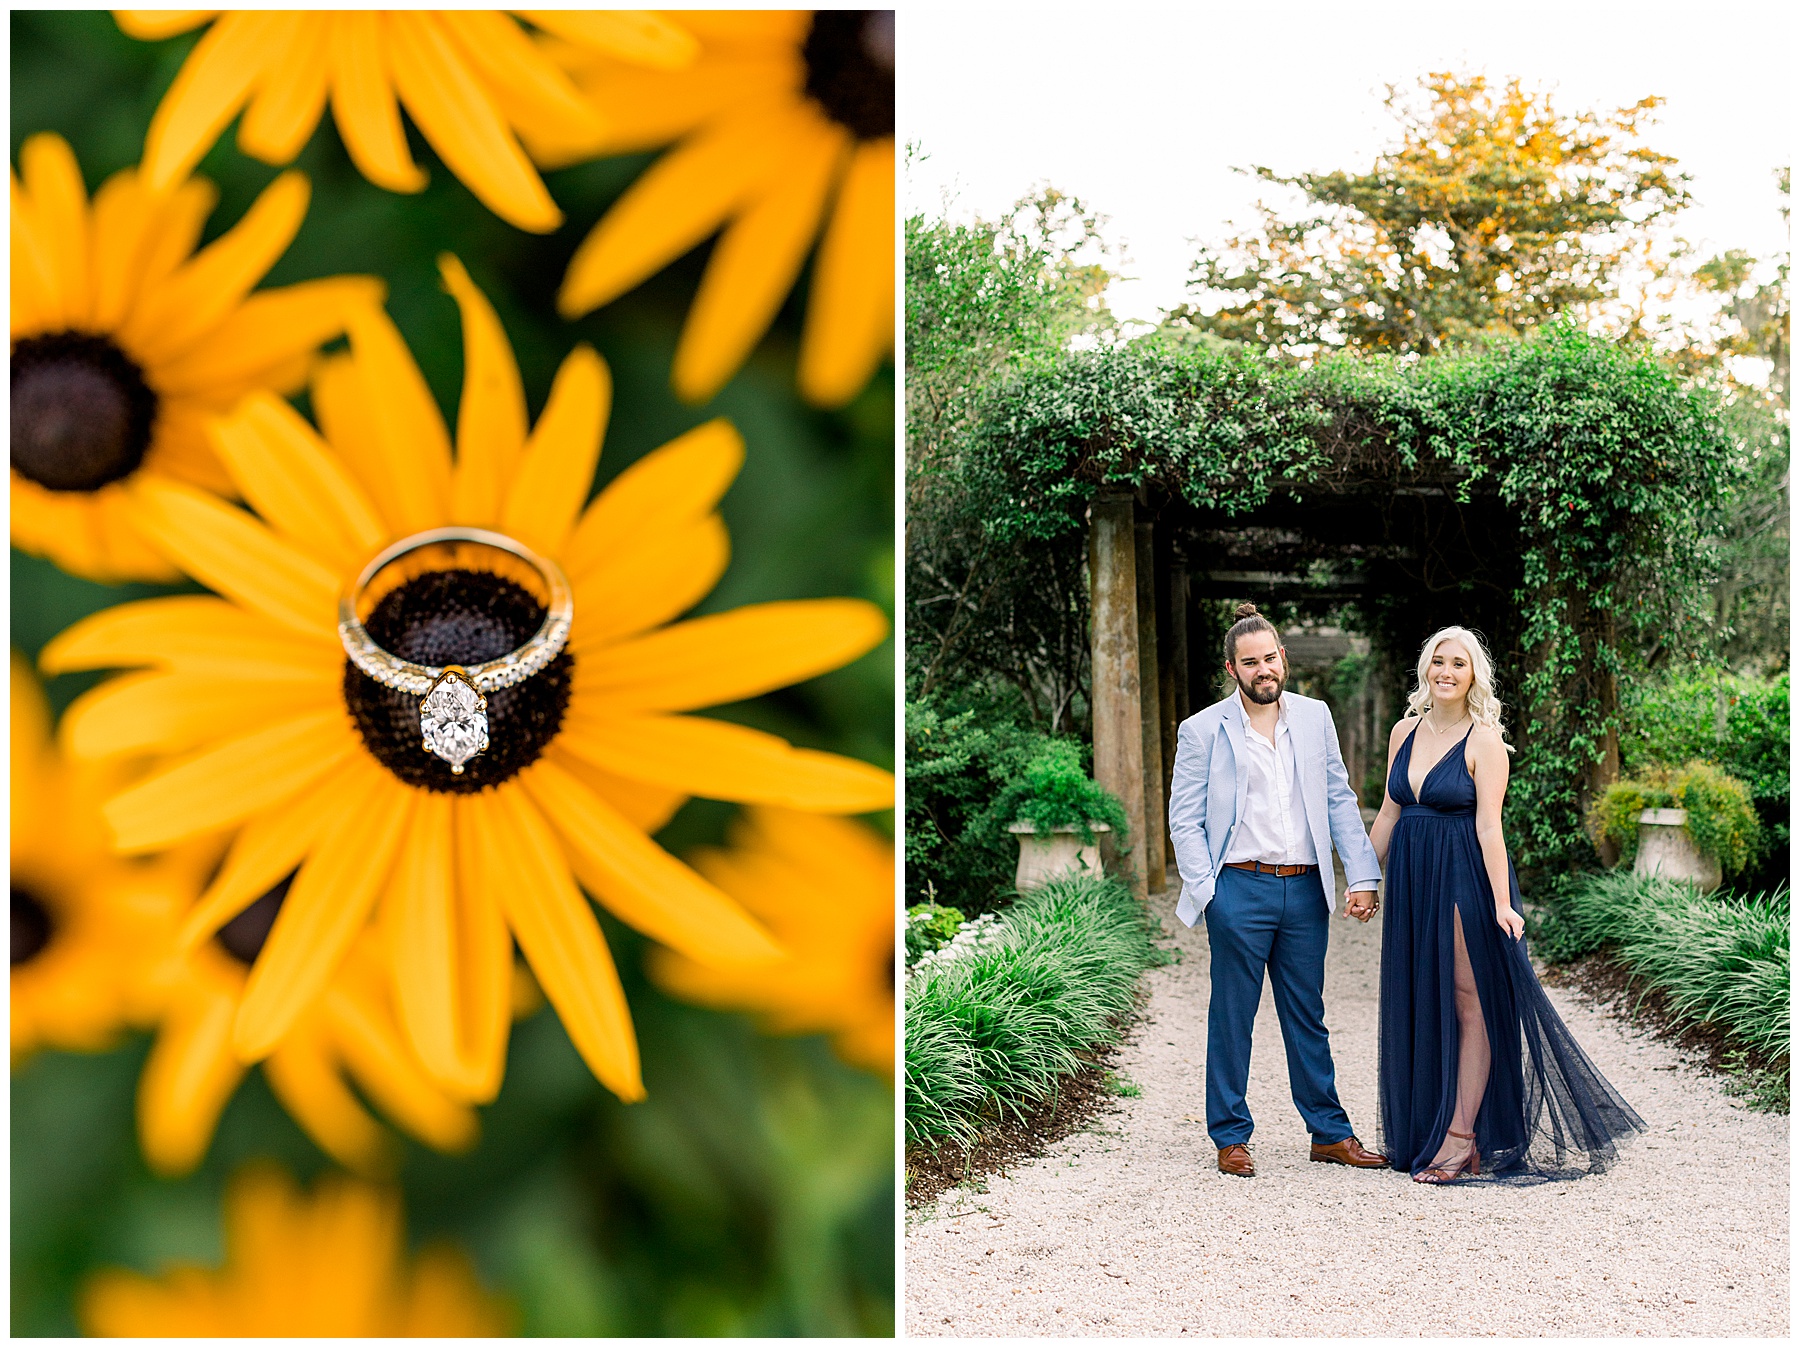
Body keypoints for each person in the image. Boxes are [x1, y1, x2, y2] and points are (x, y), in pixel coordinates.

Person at [1363, 625, 1645, 1183]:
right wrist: (1364, 881)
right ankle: (1428, 1129)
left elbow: (1490, 827)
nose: (1446, 672)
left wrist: (1501, 903)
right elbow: (1390, 812)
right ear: (1425, 668)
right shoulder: (1404, 732)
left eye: (1459, 664)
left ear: (1474, 676)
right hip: (1414, 881)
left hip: (1463, 878)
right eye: (1438, 661)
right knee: (1422, 996)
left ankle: (1462, 1136)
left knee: (1469, 1001)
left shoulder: (1485, 741)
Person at [1167, 603, 1386, 1178]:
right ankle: (1231, 1136)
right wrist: (1209, 891)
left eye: (1269, 658)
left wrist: (1362, 875)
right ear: (1231, 668)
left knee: (1307, 1014)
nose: (1263, 669)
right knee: (1233, 1016)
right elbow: (1184, 820)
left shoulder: (1315, 717)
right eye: (1250, 662)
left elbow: (1338, 799)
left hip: (1305, 890)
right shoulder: (1202, 730)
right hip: (1238, 888)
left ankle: (1329, 1134)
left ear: (1283, 658)